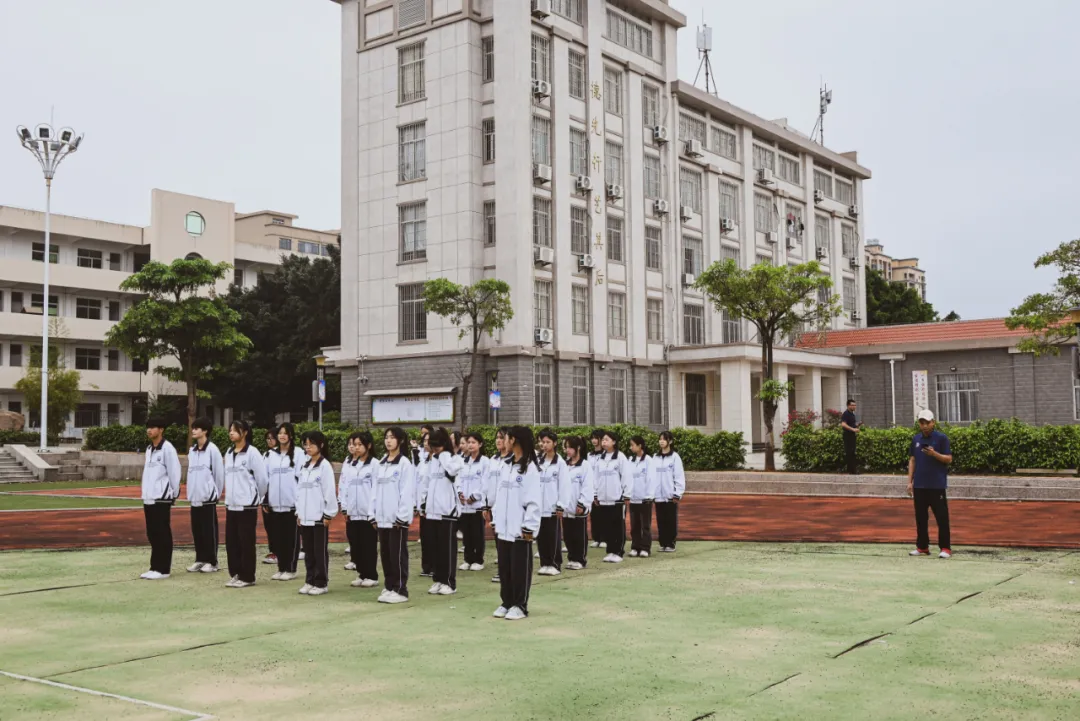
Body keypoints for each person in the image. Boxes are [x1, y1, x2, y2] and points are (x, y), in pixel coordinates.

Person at [491, 426, 542, 620]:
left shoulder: (530, 468)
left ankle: (520, 604)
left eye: (506, 438)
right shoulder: (505, 464)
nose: (503, 441)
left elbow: (534, 500)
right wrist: (496, 518)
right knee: (505, 566)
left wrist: (529, 525)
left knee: (520, 567)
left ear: (514, 440)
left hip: (520, 528)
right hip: (503, 526)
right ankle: (507, 601)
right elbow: (500, 494)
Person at [373, 427, 417, 604]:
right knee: (385, 554)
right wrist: (373, 513)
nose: (388, 440)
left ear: (400, 441)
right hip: (382, 518)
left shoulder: (405, 464)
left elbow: (407, 492)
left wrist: (402, 516)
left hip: (396, 519)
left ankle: (400, 588)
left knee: (398, 554)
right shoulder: (382, 463)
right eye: (386, 437)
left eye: (392, 437)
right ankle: (389, 585)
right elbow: (374, 490)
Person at [223, 420, 269, 588]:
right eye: (230, 430)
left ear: (245, 433)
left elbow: (262, 480)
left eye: (235, 430)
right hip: (231, 505)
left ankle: (248, 576)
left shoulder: (252, 453)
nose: (231, 433)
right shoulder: (228, 453)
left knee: (246, 542)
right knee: (231, 542)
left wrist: (255, 497)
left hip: (247, 506)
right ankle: (235, 573)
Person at [420, 428, 465, 596]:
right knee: (435, 548)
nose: (435, 448)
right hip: (432, 512)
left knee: (447, 549)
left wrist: (444, 455)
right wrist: (423, 503)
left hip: (447, 512)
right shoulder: (431, 461)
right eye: (433, 445)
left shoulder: (454, 459)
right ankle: (438, 579)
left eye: (438, 445)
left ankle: (449, 582)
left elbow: (453, 471)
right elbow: (426, 482)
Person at [295, 431, 338, 595]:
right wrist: (299, 512)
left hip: (319, 516)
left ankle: (321, 582)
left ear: (321, 445)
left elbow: (329, 492)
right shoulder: (305, 466)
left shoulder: (324, 466)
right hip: (305, 516)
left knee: (319, 551)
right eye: (305, 444)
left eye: (311, 444)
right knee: (308, 552)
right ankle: (309, 579)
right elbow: (299, 491)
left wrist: (328, 514)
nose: (308, 447)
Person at [139, 417, 182, 580]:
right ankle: (154, 566)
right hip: (149, 497)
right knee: (152, 533)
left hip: (162, 497)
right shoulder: (149, 449)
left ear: (161, 429)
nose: (149, 430)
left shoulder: (168, 449)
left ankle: (164, 569)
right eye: (148, 427)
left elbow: (174, 472)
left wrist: (173, 493)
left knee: (162, 532)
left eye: (153, 427)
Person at [907, 409, 953, 559]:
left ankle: (945, 548)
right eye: (922, 423)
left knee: (941, 518)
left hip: (936, 485)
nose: (925, 425)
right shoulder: (916, 439)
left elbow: (948, 459)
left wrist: (934, 454)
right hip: (920, 485)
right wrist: (910, 482)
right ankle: (922, 547)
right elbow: (912, 460)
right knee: (920, 518)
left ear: (933, 422)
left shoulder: (941, 438)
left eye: (927, 422)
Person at [264, 423, 304, 581]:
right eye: (279, 433)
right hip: (274, 504)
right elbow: (264, 478)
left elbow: (301, 478)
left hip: (291, 504)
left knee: (291, 539)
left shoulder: (299, 454)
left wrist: (300, 502)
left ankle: (291, 568)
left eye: (285, 433)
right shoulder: (270, 455)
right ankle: (281, 568)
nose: (282, 436)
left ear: (291, 436)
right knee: (278, 538)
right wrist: (265, 499)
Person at [340, 431, 379, 588]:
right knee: (356, 545)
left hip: (367, 513)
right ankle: (362, 574)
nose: (356, 448)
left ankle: (371, 575)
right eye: (354, 444)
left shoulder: (375, 464)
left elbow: (376, 489)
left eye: (359, 445)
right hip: (352, 512)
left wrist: (373, 511)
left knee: (368, 545)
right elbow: (344, 486)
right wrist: (344, 506)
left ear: (368, 446)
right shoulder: (349, 464)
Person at [185, 417, 224, 574]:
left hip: (207, 498)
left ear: (205, 431)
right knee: (197, 530)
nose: (193, 430)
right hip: (195, 497)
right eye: (193, 428)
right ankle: (200, 559)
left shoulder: (213, 450)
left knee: (209, 530)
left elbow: (219, 475)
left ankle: (212, 561)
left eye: (197, 428)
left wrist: (215, 493)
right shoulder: (192, 451)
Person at [593, 431, 632, 563]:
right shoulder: (600, 458)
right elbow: (596, 478)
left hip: (617, 499)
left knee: (617, 526)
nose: (604, 442)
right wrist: (596, 494)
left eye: (607, 440)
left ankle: (618, 551)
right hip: (603, 499)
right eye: (603, 440)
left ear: (614, 442)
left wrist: (626, 494)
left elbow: (626, 476)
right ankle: (610, 551)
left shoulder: (620, 457)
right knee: (607, 526)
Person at [536, 429, 569, 576]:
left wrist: (561, 504)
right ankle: (544, 562)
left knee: (552, 536)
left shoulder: (560, 463)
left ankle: (555, 563)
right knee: (541, 536)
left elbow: (564, 485)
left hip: (552, 506)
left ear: (554, 443)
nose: (544, 445)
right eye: (542, 442)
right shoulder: (538, 461)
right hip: (539, 506)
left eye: (548, 442)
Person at [561, 436, 595, 570]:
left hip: (578, 506)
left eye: (569, 447)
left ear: (578, 448)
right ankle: (571, 557)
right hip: (566, 507)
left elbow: (587, 486)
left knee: (578, 534)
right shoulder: (564, 465)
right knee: (568, 534)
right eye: (565, 447)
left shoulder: (585, 466)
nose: (567, 450)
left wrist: (582, 503)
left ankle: (580, 559)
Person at [486, 427, 514, 585]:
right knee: (498, 540)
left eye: (502, 438)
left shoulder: (512, 460)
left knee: (508, 540)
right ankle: (502, 570)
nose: (498, 441)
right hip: (494, 507)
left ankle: (509, 571)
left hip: (508, 506)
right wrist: (486, 505)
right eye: (497, 437)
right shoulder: (493, 460)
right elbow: (488, 483)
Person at [458, 432, 489, 572]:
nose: (470, 445)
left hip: (476, 505)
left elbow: (485, 483)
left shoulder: (485, 462)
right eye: (468, 442)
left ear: (480, 444)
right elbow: (458, 480)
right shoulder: (462, 461)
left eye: (473, 442)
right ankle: (467, 559)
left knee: (477, 534)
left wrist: (474, 497)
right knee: (467, 534)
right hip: (464, 505)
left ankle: (478, 559)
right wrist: (460, 493)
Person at [653, 431, 686, 553]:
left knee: (670, 520)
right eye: (660, 439)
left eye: (664, 439)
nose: (661, 441)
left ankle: (670, 543)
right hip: (657, 496)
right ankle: (662, 543)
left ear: (670, 441)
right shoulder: (655, 457)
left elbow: (679, 476)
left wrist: (678, 493)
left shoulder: (675, 457)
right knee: (660, 520)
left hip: (670, 495)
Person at [627, 436, 657, 558]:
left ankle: (645, 548)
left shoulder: (649, 461)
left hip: (645, 499)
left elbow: (651, 479)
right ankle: (635, 547)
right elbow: (628, 478)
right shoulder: (630, 460)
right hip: (633, 498)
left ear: (640, 446)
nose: (631, 447)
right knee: (634, 525)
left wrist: (649, 496)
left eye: (633, 445)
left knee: (645, 525)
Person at [412, 425, 435, 578]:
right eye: (425, 440)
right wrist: (416, 503)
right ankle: (426, 566)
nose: (426, 443)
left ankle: (436, 567)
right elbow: (418, 483)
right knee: (425, 537)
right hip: (423, 508)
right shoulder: (423, 462)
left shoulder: (440, 461)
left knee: (435, 539)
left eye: (429, 440)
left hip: (435, 508)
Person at [262, 430, 279, 565]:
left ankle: (280, 552)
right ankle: (273, 551)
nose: (269, 441)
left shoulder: (284, 455)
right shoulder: (266, 455)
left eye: (272, 438)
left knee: (278, 526)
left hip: (280, 497)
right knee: (269, 526)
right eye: (267, 438)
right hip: (267, 496)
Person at [587, 429, 606, 549]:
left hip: (603, 488)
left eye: (596, 438)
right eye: (592, 438)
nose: (594, 440)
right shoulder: (589, 455)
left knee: (604, 515)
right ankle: (596, 538)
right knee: (594, 515)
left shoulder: (606, 455)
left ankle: (604, 538)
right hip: (592, 488)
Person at [841, 399, 860, 475]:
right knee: (849, 453)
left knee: (852, 453)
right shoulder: (846, 414)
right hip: (847, 435)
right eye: (852, 405)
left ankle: (852, 470)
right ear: (848, 405)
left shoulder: (852, 414)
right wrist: (853, 429)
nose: (854, 406)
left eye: (855, 405)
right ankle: (851, 470)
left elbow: (852, 425)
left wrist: (857, 425)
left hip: (852, 435)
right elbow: (843, 424)